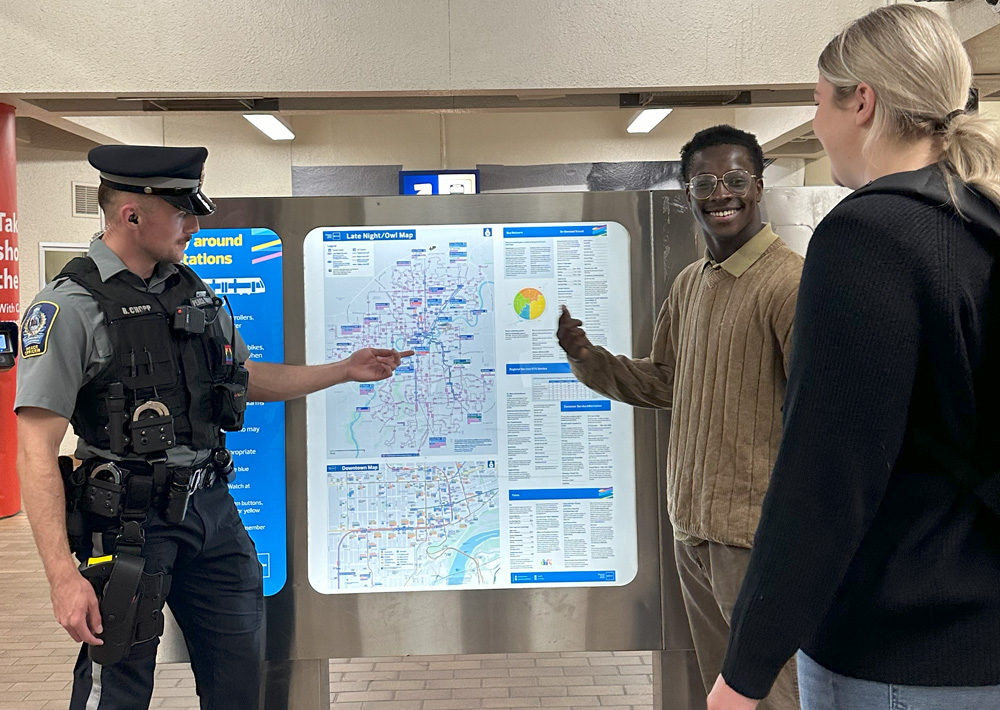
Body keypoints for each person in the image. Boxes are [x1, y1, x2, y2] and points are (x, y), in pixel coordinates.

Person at [15, 145, 413, 710]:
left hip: (211, 515)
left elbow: (243, 378)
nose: (195, 226)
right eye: (182, 213)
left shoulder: (193, 292)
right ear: (133, 216)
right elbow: (35, 447)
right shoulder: (71, 308)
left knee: (239, 683)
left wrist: (344, 371)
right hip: (127, 525)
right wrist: (61, 574)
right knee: (118, 691)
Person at [707, 6, 1000, 710]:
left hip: (897, 654)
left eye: (818, 104)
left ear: (861, 101)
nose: (816, 126)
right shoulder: (981, 221)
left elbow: (827, 478)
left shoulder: (870, 236)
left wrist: (744, 672)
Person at [558, 125, 803, 710]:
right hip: (693, 529)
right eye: (705, 181)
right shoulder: (692, 284)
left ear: (759, 186)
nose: (722, 193)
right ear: (687, 191)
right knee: (720, 692)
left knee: (774, 694)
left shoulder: (790, 282)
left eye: (736, 179)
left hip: (754, 538)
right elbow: (667, 382)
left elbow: (816, 417)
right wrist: (589, 360)